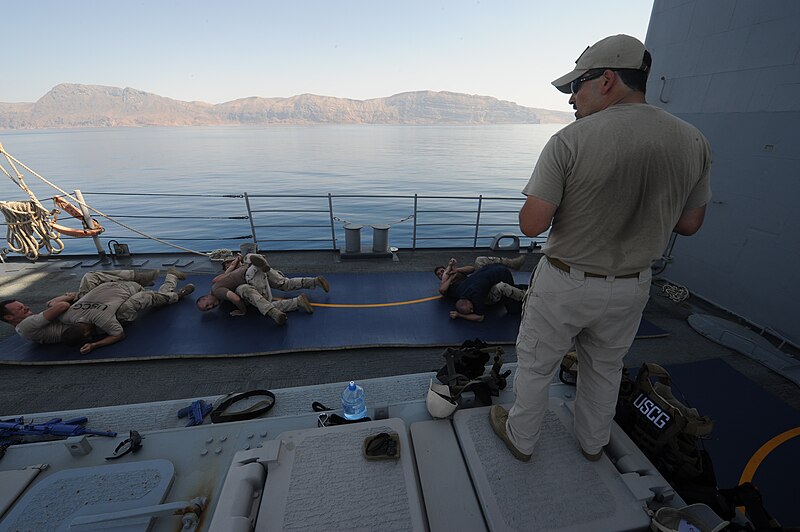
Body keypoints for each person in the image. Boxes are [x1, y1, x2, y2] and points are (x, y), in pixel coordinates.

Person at [490, 35, 711, 463]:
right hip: (633, 285)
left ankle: (522, 438)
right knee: (605, 368)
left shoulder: (570, 140)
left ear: (607, 79)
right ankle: (592, 445)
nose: (572, 98)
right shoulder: (694, 140)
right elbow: (690, 224)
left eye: (577, 85)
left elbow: (532, 223)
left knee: (536, 366)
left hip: (566, 282)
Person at [3, 268, 194, 353]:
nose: (26, 307)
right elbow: (57, 305)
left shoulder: (64, 317)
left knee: (90, 276)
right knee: (143, 299)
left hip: (82, 315)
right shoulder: (28, 326)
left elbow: (52, 305)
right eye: (20, 308)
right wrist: (70, 298)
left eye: (23, 304)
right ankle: (172, 289)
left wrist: (74, 300)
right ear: (10, 317)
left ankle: (138, 278)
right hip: (91, 321)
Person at [195, 253, 327, 325]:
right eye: (207, 309)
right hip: (253, 269)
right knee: (284, 283)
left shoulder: (217, 291)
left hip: (249, 277)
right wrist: (236, 262)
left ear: (206, 297)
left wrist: (242, 311)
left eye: (207, 305)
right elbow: (221, 277)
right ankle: (314, 281)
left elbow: (234, 298)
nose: (210, 307)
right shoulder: (221, 281)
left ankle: (290, 305)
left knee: (257, 298)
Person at [439, 262, 526, 322]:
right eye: (439, 274)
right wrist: (448, 277)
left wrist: (460, 315)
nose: (473, 310)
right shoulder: (455, 289)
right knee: (499, 285)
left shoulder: (476, 297)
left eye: (470, 309)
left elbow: (480, 318)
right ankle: (522, 288)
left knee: (513, 309)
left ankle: (526, 296)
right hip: (494, 271)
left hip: (502, 275)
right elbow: (442, 289)